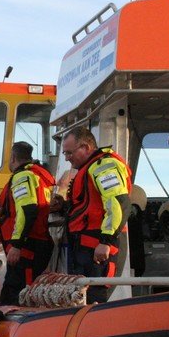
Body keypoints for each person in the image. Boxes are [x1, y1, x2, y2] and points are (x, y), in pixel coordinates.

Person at [59, 126, 132, 303]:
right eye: (65, 154)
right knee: (82, 298)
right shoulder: (90, 168)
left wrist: (105, 242)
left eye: (69, 153)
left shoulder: (104, 166)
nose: (68, 158)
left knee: (94, 298)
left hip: (97, 247)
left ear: (85, 147)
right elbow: (90, 205)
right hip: (86, 247)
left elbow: (117, 203)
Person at [0, 141, 56, 304]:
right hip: (35, 244)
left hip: (27, 248)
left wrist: (17, 244)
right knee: (15, 291)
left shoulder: (23, 176)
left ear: (13, 157)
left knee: (17, 294)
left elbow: (28, 210)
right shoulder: (37, 176)